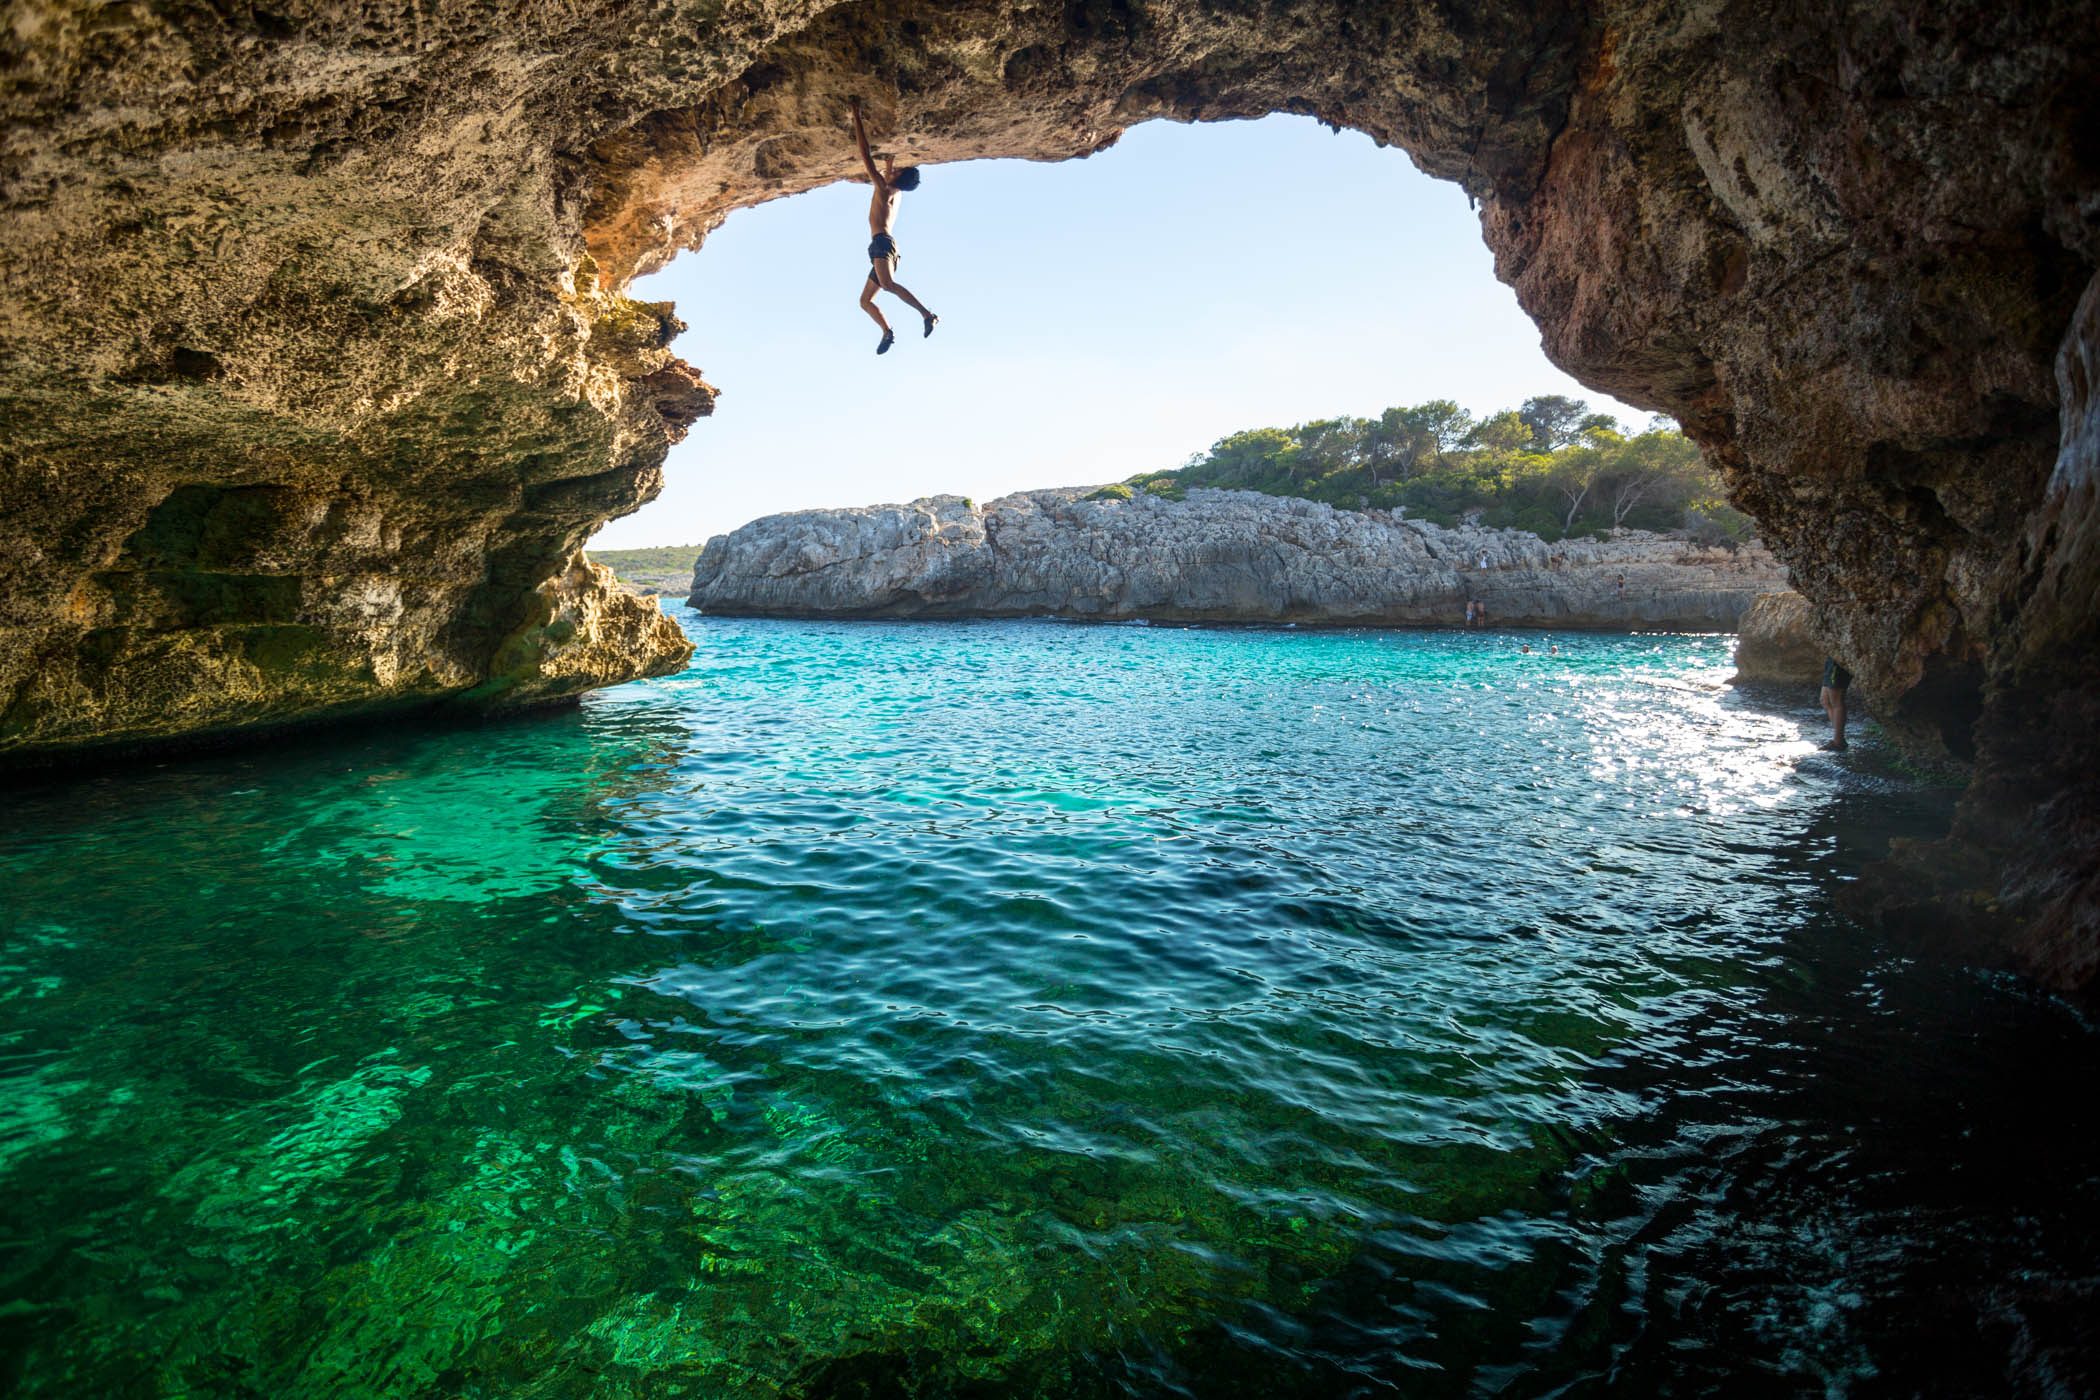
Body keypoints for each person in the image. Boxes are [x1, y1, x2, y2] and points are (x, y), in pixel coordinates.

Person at [849, 97, 938, 354]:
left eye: (897, 170)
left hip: (882, 245)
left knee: (887, 286)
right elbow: (890, 177)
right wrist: (889, 164)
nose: (894, 170)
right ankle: (887, 332)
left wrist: (856, 114)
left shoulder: (884, 187)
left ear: (899, 177)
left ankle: (926, 314)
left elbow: (864, 153)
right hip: (885, 246)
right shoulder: (895, 192)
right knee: (865, 301)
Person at [1820, 657, 1852, 751]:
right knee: (1825, 700)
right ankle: (1839, 737)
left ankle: (1838, 740)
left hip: (1837, 663)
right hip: (1831, 660)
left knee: (1836, 700)